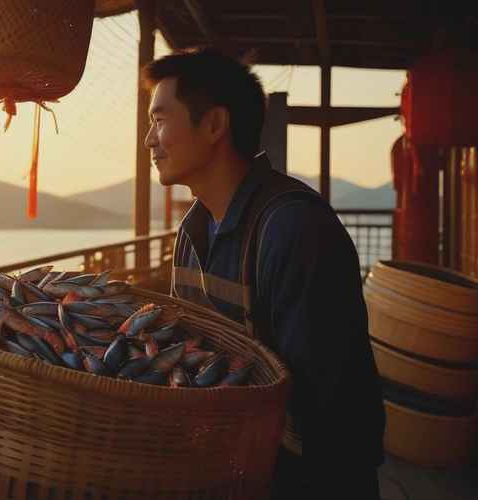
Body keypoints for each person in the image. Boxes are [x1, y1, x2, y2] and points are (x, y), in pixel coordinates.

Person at [142, 47, 385, 499]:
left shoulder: (294, 230)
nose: (148, 140)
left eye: (159, 120)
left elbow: (326, 415)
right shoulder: (192, 232)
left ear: (214, 125)